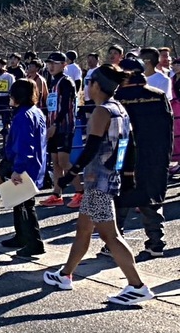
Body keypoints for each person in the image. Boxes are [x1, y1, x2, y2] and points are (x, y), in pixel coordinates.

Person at [43, 64, 154, 306]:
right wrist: (126, 175)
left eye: (89, 83)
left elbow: (91, 148)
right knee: (84, 229)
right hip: (107, 178)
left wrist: (69, 174)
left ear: (96, 86)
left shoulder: (102, 112)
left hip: (99, 181)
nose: (87, 88)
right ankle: (65, 275)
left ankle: (137, 286)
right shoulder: (119, 110)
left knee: (110, 235)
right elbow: (128, 146)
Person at [110, 59, 174, 258]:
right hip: (154, 156)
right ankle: (156, 243)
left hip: (124, 157)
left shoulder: (117, 98)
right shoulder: (158, 95)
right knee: (151, 199)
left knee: (119, 200)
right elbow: (168, 129)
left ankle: (114, 243)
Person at [0, 79, 47, 257]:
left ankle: (34, 242)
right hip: (35, 164)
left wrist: (17, 169)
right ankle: (21, 236)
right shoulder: (36, 112)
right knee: (19, 203)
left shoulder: (22, 117)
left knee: (26, 205)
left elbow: (24, 146)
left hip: (25, 166)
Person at [39, 52, 81, 209]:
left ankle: (80, 191)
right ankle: (57, 194)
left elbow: (65, 107)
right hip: (53, 125)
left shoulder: (66, 82)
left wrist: (55, 124)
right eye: (49, 63)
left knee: (64, 161)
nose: (51, 66)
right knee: (55, 162)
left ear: (64, 65)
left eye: (55, 63)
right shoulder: (52, 81)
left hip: (64, 126)